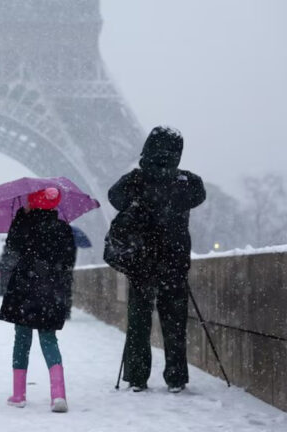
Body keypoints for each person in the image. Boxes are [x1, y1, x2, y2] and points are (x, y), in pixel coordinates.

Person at [108, 126, 205, 393]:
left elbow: (114, 197)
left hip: (142, 262)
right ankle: (176, 377)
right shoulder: (187, 182)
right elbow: (199, 195)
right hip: (174, 263)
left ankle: (137, 376)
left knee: (138, 323)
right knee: (175, 325)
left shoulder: (135, 181)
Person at [0, 187, 76, 413]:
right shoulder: (63, 228)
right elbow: (69, 259)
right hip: (50, 288)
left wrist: (21, 217)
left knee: (22, 341)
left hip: (25, 287)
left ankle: (19, 394)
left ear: (32, 202)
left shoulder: (24, 224)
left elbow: (11, 247)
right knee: (49, 339)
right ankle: (58, 394)